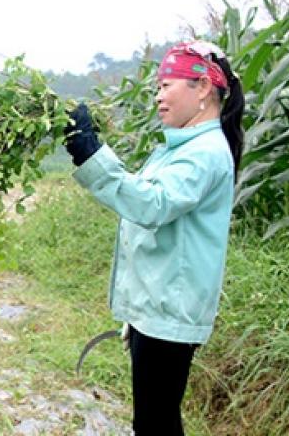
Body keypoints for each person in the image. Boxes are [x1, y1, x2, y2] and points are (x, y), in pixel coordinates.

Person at [63, 41, 244, 435]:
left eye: (167, 85)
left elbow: (153, 204)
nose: (159, 96)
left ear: (201, 88)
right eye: (157, 88)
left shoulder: (204, 153)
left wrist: (91, 155)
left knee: (155, 421)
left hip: (170, 312)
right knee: (155, 418)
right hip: (157, 309)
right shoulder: (180, 148)